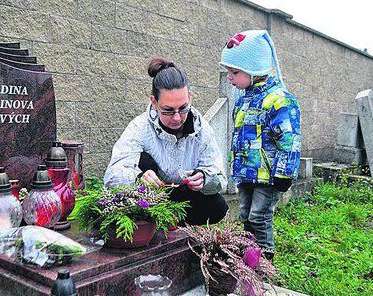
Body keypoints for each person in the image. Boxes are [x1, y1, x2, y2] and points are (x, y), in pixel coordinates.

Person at [104, 56, 229, 225]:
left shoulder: (203, 130)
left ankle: (179, 230)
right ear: (154, 102)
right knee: (143, 160)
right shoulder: (139, 127)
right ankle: (151, 226)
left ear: (190, 98)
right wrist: (138, 177)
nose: (177, 118)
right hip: (149, 198)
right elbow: (112, 175)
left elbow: (220, 178)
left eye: (183, 108)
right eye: (168, 110)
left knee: (218, 206)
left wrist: (204, 178)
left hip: (186, 197)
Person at [220, 30, 301, 260]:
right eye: (228, 71)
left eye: (234, 72)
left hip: (268, 176)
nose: (229, 77)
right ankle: (250, 255)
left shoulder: (279, 99)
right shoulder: (243, 99)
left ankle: (265, 260)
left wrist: (285, 173)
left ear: (254, 70)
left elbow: (289, 140)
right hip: (246, 172)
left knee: (260, 216)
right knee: (245, 214)